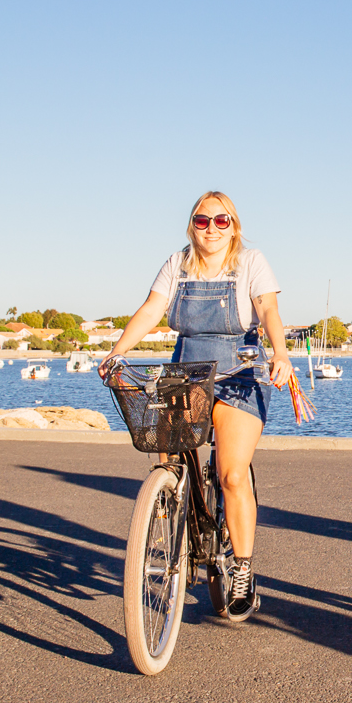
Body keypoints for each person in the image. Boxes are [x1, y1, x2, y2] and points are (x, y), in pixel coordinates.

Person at [101, 191, 295, 621]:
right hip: (188, 373)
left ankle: (242, 568)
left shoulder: (250, 262)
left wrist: (279, 353)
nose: (211, 229)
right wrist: (116, 351)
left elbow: (267, 307)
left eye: (220, 221)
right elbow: (152, 308)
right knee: (168, 457)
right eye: (202, 221)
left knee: (230, 472)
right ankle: (173, 509)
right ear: (192, 224)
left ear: (234, 225)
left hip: (239, 376)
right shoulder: (177, 264)